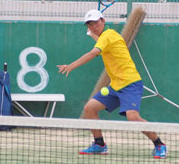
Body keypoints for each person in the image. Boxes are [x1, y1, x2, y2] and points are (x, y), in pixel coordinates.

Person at [57, 9, 167, 159]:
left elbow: (93, 53)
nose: (93, 26)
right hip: (115, 86)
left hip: (130, 83)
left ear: (103, 21)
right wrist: (95, 36)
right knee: (89, 109)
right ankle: (99, 144)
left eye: (96, 22)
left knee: (133, 118)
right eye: (89, 25)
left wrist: (71, 66)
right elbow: (104, 47)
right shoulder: (107, 37)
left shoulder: (108, 36)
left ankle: (159, 144)